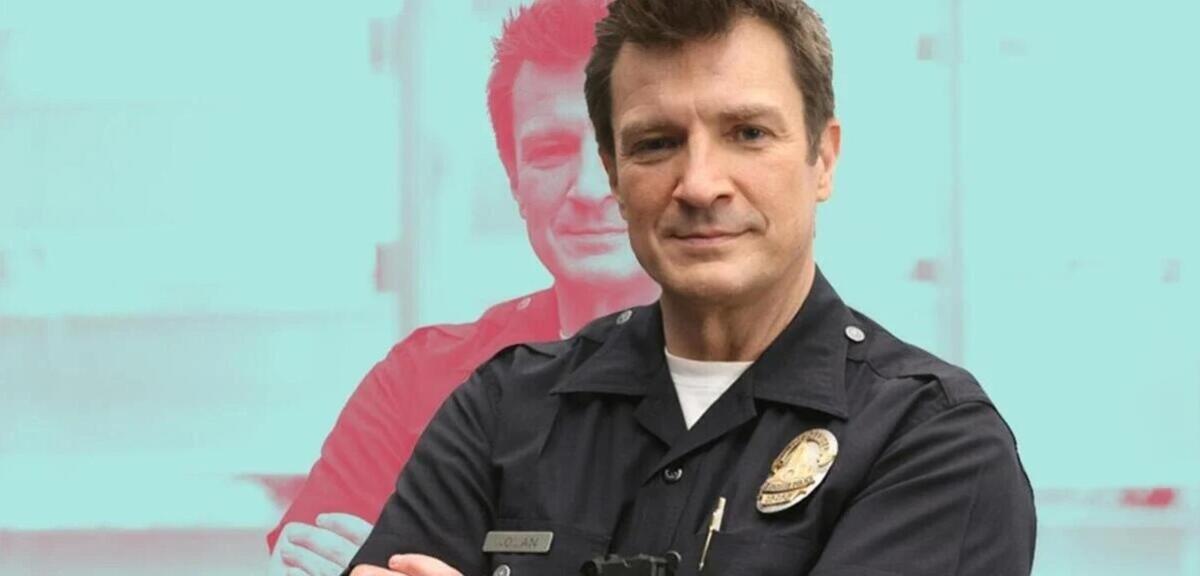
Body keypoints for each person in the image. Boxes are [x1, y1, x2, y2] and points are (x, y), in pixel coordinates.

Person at [347, 0, 1037, 575]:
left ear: (822, 158)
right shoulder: (500, 411)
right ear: (615, 175)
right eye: (656, 143)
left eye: (747, 133)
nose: (700, 185)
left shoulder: (932, 442)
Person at [267, 1, 659, 574]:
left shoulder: (763, 378)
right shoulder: (419, 382)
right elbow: (306, 560)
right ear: (514, 180)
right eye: (550, 151)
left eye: (619, 146)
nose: (588, 187)